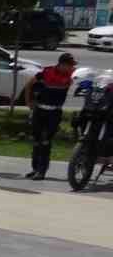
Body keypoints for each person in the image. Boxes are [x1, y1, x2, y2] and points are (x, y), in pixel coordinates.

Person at [23, 53, 76, 181]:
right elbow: (29, 84)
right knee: (36, 140)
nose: (71, 68)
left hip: (54, 113)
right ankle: (35, 169)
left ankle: (42, 171)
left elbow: (79, 80)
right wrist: (28, 101)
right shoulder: (46, 72)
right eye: (70, 65)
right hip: (40, 110)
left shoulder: (71, 75)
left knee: (46, 141)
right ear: (62, 64)